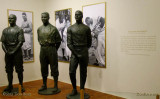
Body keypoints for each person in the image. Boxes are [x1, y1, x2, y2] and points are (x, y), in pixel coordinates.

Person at [67, 10, 92, 96]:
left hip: (84, 51)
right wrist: (76, 52)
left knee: (83, 72)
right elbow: (69, 43)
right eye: (75, 15)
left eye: (79, 15)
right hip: (74, 52)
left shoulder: (86, 28)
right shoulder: (70, 28)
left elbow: (89, 42)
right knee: (71, 71)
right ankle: (74, 88)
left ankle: (81, 89)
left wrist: (84, 49)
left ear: (82, 16)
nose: (77, 16)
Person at [37, 12, 61, 92]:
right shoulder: (39, 29)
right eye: (42, 17)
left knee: (54, 67)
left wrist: (54, 49)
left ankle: (55, 85)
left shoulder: (53, 29)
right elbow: (39, 40)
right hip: (43, 49)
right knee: (43, 67)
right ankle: (44, 84)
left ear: (48, 18)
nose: (43, 18)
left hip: (51, 49)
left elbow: (58, 41)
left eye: (45, 17)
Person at [0, 14, 25, 92]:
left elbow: (20, 42)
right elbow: (3, 43)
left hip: (17, 53)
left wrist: (14, 51)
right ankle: (10, 85)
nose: (10, 20)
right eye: (9, 18)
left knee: (19, 70)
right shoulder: (5, 30)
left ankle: (21, 85)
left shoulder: (19, 29)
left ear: (15, 19)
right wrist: (6, 51)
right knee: (9, 70)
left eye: (12, 18)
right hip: (8, 53)